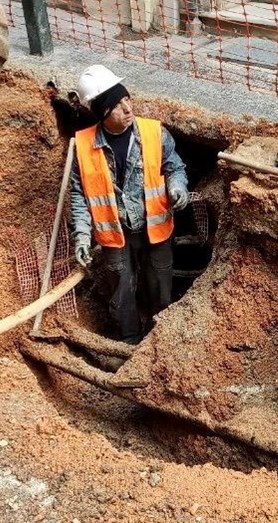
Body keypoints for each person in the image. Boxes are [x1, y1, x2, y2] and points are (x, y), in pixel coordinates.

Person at [69, 65, 190, 344]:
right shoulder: (84, 146)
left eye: (127, 99)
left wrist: (177, 187)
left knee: (160, 289)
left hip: (156, 231)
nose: (127, 108)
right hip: (115, 236)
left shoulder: (154, 133)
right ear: (102, 113)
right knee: (122, 295)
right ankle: (130, 343)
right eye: (117, 105)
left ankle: (160, 341)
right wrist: (82, 236)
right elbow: (80, 195)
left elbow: (176, 167)